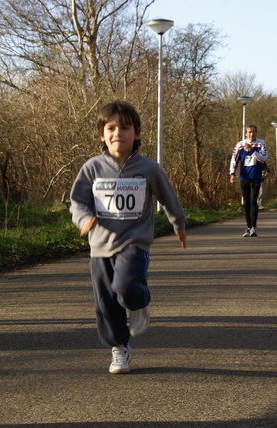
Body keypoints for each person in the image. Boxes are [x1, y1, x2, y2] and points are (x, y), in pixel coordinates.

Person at [69, 100, 187, 374]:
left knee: (125, 287)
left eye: (125, 127)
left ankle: (140, 302)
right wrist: (84, 219)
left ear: (137, 133)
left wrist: (178, 224)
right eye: (111, 128)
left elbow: (168, 197)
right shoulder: (92, 168)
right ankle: (119, 349)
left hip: (134, 241)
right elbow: (77, 201)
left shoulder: (148, 168)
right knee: (106, 303)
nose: (117, 133)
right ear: (102, 135)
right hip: (99, 246)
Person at [229, 124, 268, 237]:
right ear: (246, 133)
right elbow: (234, 159)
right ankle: (248, 227)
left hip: (256, 176)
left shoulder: (260, 143)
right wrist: (232, 174)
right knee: (246, 202)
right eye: (249, 132)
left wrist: (252, 151)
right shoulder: (240, 145)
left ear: (256, 133)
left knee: (253, 201)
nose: (252, 134)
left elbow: (264, 158)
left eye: (253, 132)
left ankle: (254, 227)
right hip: (244, 177)